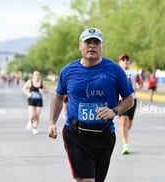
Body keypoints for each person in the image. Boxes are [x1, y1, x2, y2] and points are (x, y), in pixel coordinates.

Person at [48, 27, 134, 182]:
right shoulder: (68, 71)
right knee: (86, 180)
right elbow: (58, 96)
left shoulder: (114, 70)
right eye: (88, 42)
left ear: (102, 47)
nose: (92, 46)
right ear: (80, 46)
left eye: (96, 43)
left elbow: (129, 99)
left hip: (104, 135)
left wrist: (114, 111)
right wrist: (51, 123)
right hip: (76, 134)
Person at [118, 53, 143, 154]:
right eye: (123, 60)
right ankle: (125, 144)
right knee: (124, 120)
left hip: (132, 99)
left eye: (126, 60)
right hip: (120, 100)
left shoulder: (134, 72)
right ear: (119, 62)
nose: (125, 62)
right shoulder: (117, 72)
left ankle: (124, 135)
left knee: (129, 123)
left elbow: (140, 83)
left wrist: (137, 87)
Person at [22, 71, 48, 135]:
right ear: (33, 75)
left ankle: (35, 128)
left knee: (37, 115)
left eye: (38, 75)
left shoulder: (42, 82)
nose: (37, 76)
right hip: (31, 100)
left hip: (39, 100)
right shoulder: (30, 81)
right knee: (32, 115)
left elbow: (47, 90)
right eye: (36, 75)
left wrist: (42, 90)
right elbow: (24, 88)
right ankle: (30, 121)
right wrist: (28, 93)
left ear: (40, 76)